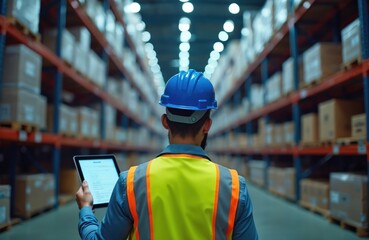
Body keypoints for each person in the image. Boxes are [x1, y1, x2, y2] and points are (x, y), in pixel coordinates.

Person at [76, 69, 259, 239]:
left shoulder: (131, 182)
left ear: (165, 121)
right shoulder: (234, 186)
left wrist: (86, 209)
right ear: (207, 125)